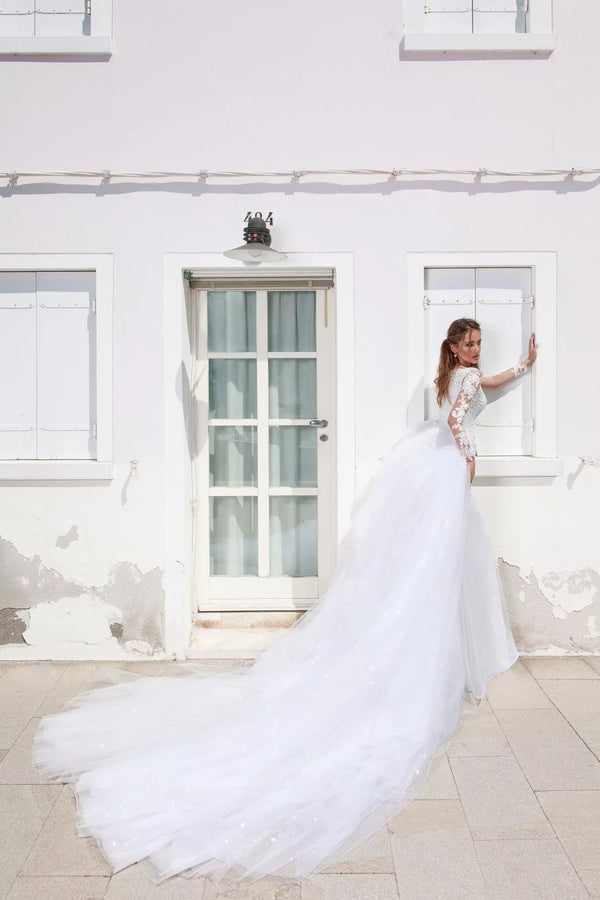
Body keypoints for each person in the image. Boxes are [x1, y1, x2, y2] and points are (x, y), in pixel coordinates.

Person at [33, 317, 536, 886]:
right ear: (454, 346)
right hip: (448, 467)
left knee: (432, 563)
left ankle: (437, 648)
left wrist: (522, 366)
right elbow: (460, 418)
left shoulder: (454, 375)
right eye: (469, 344)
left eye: (479, 344)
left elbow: (483, 386)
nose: (476, 350)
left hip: (435, 466)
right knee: (439, 564)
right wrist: (470, 459)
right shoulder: (462, 380)